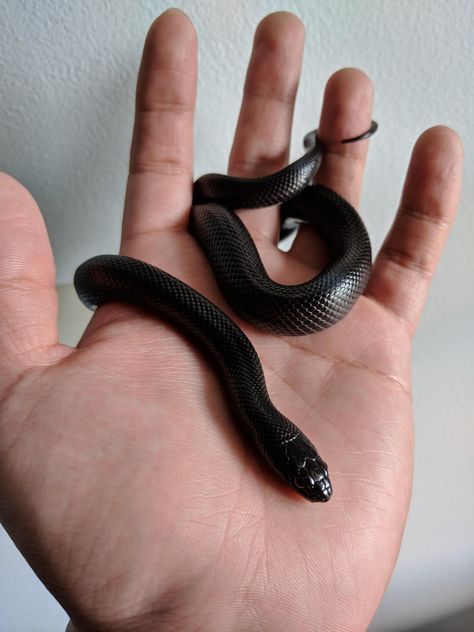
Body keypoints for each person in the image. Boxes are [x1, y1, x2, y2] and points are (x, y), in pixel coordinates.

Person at [0, 8, 463, 632]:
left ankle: (253, 194)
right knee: (211, 216)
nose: (312, 481)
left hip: (237, 228)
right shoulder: (245, 365)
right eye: (310, 469)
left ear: (276, 446)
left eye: (304, 473)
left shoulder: (253, 378)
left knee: (225, 215)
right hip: (214, 235)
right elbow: (97, 279)